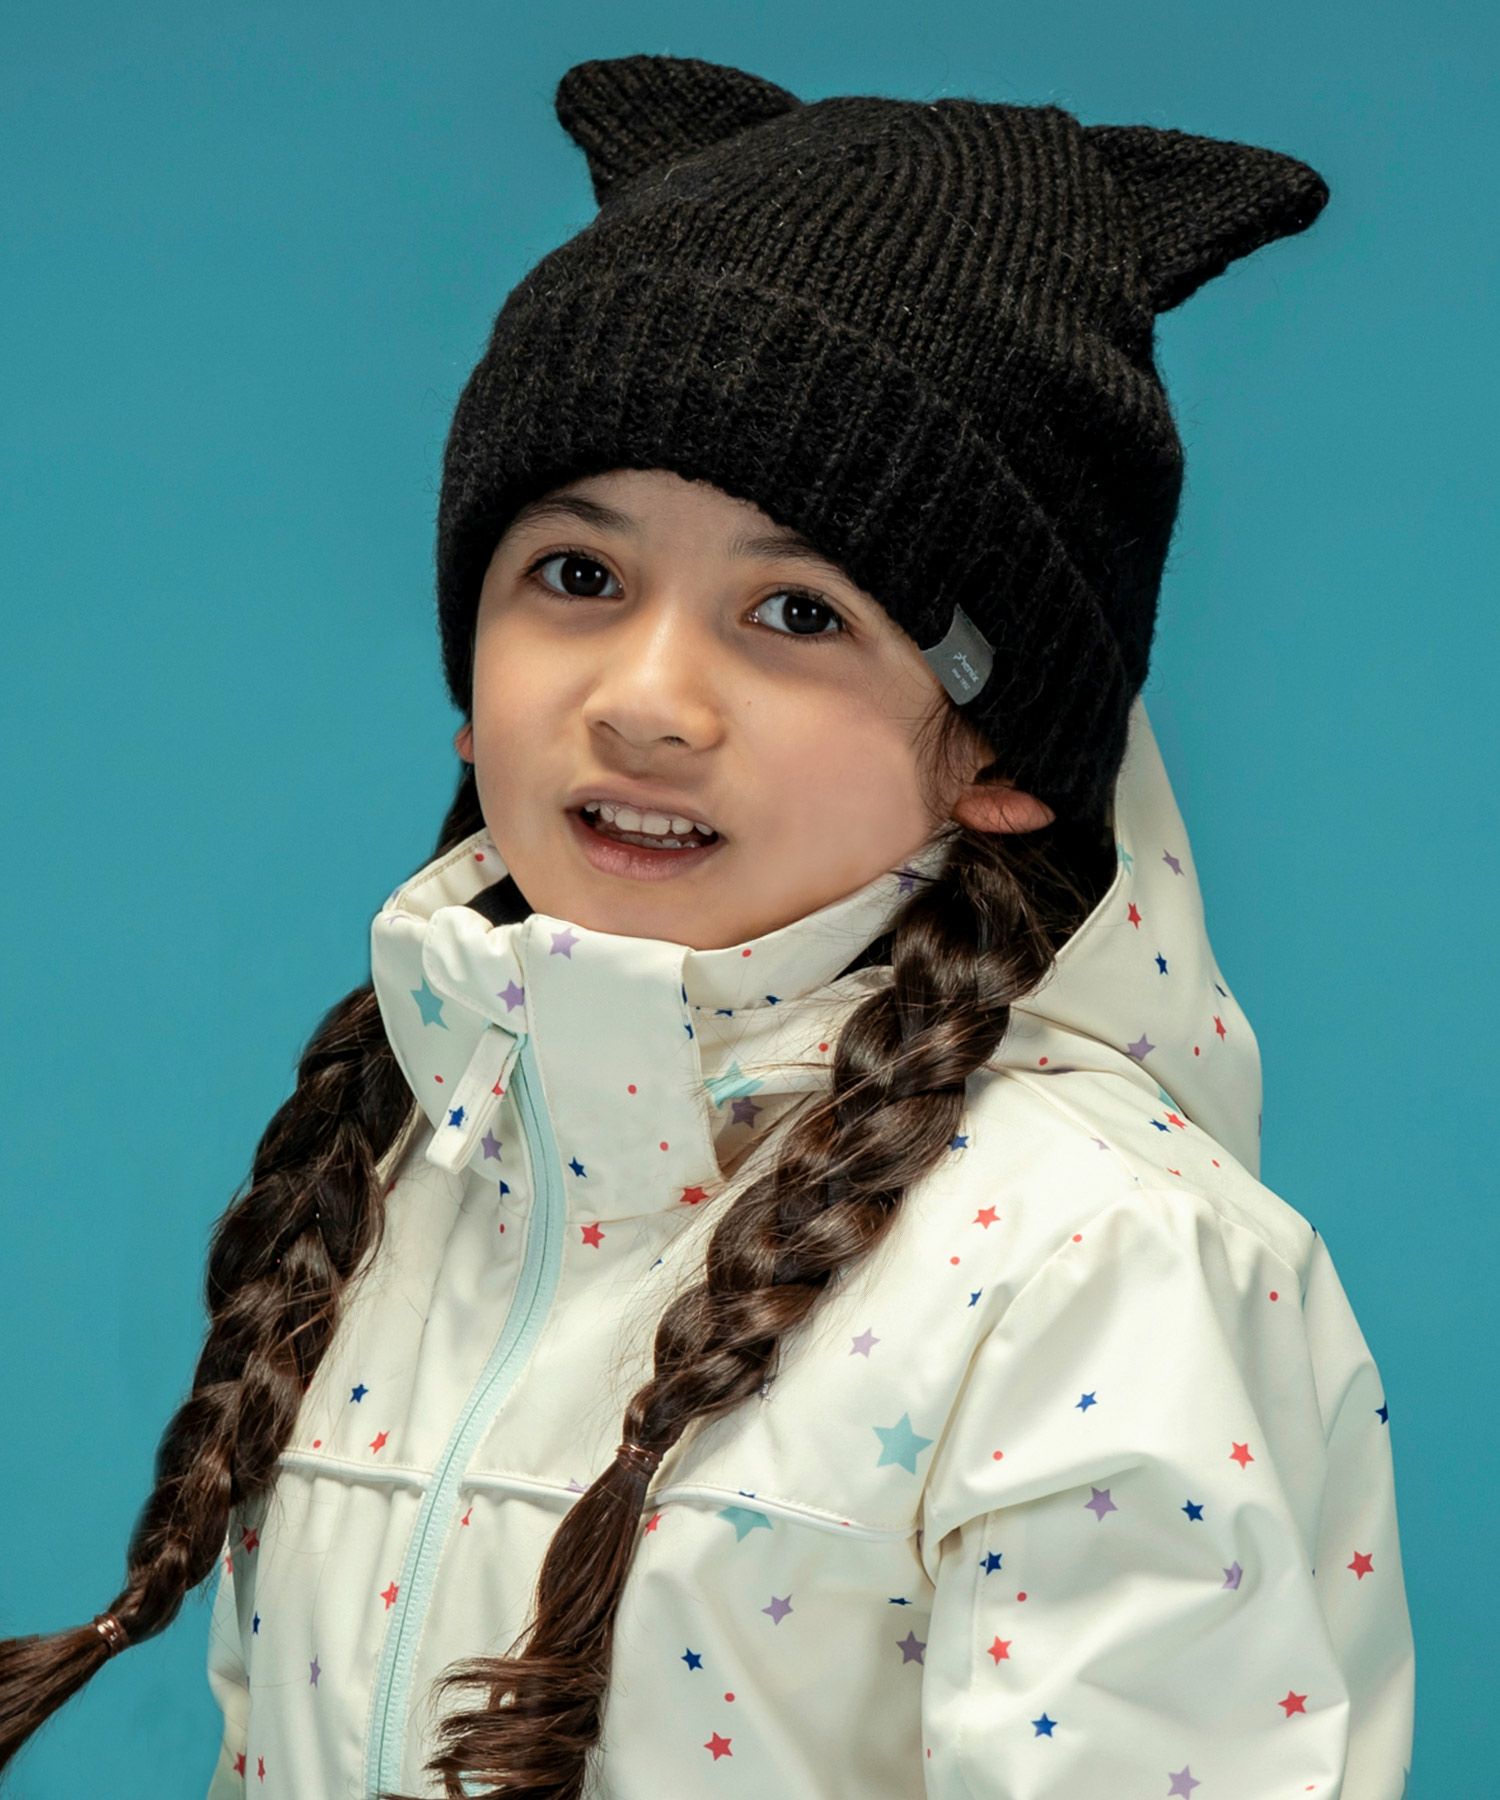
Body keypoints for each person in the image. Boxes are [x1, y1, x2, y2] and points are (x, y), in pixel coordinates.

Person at [0, 51, 1415, 1800]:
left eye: (798, 611)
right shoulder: (408, 1177)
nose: (647, 700)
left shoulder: (1095, 1265)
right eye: (578, 576)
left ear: (1001, 753)